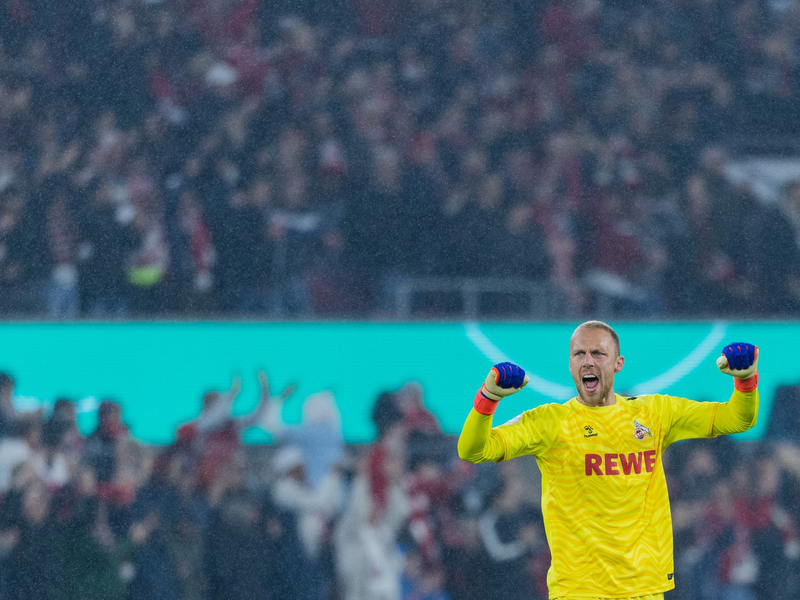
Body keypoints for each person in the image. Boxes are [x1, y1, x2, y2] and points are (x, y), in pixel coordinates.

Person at [457, 320, 760, 599]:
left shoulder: (655, 413)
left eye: (598, 353)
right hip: (580, 590)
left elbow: (736, 419)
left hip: (645, 587)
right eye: (579, 354)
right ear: (571, 364)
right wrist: (488, 398)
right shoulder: (550, 422)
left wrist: (746, 381)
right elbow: (473, 450)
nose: (587, 360)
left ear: (618, 364)